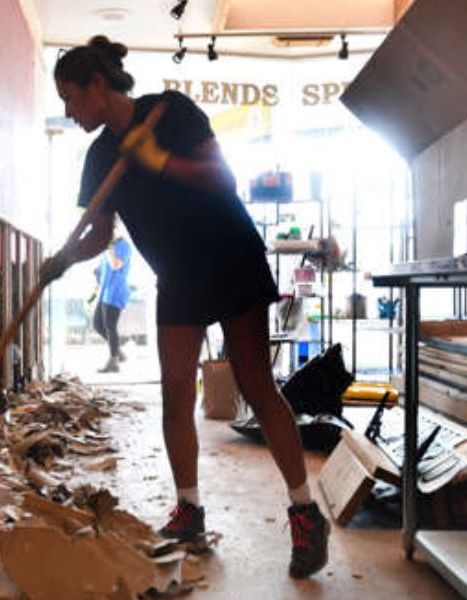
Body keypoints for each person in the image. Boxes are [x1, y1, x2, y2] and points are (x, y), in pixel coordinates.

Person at [41, 36, 330, 579]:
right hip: (178, 276)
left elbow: (223, 179)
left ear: (98, 86)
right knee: (175, 389)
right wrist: (63, 260)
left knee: (255, 385)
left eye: (71, 98)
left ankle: (304, 511)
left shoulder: (169, 112)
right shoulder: (100, 155)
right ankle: (189, 508)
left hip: (230, 257)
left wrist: (157, 160)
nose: (69, 111)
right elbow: (99, 235)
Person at [92, 233, 132, 373]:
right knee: (97, 324)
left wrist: (107, 246)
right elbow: (104, 269)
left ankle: (113, 361)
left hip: (116, 291)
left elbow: (115, 265)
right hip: (105, 292)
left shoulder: (124, 246)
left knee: (110, 326)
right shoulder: (110, 247)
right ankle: (117, 352)